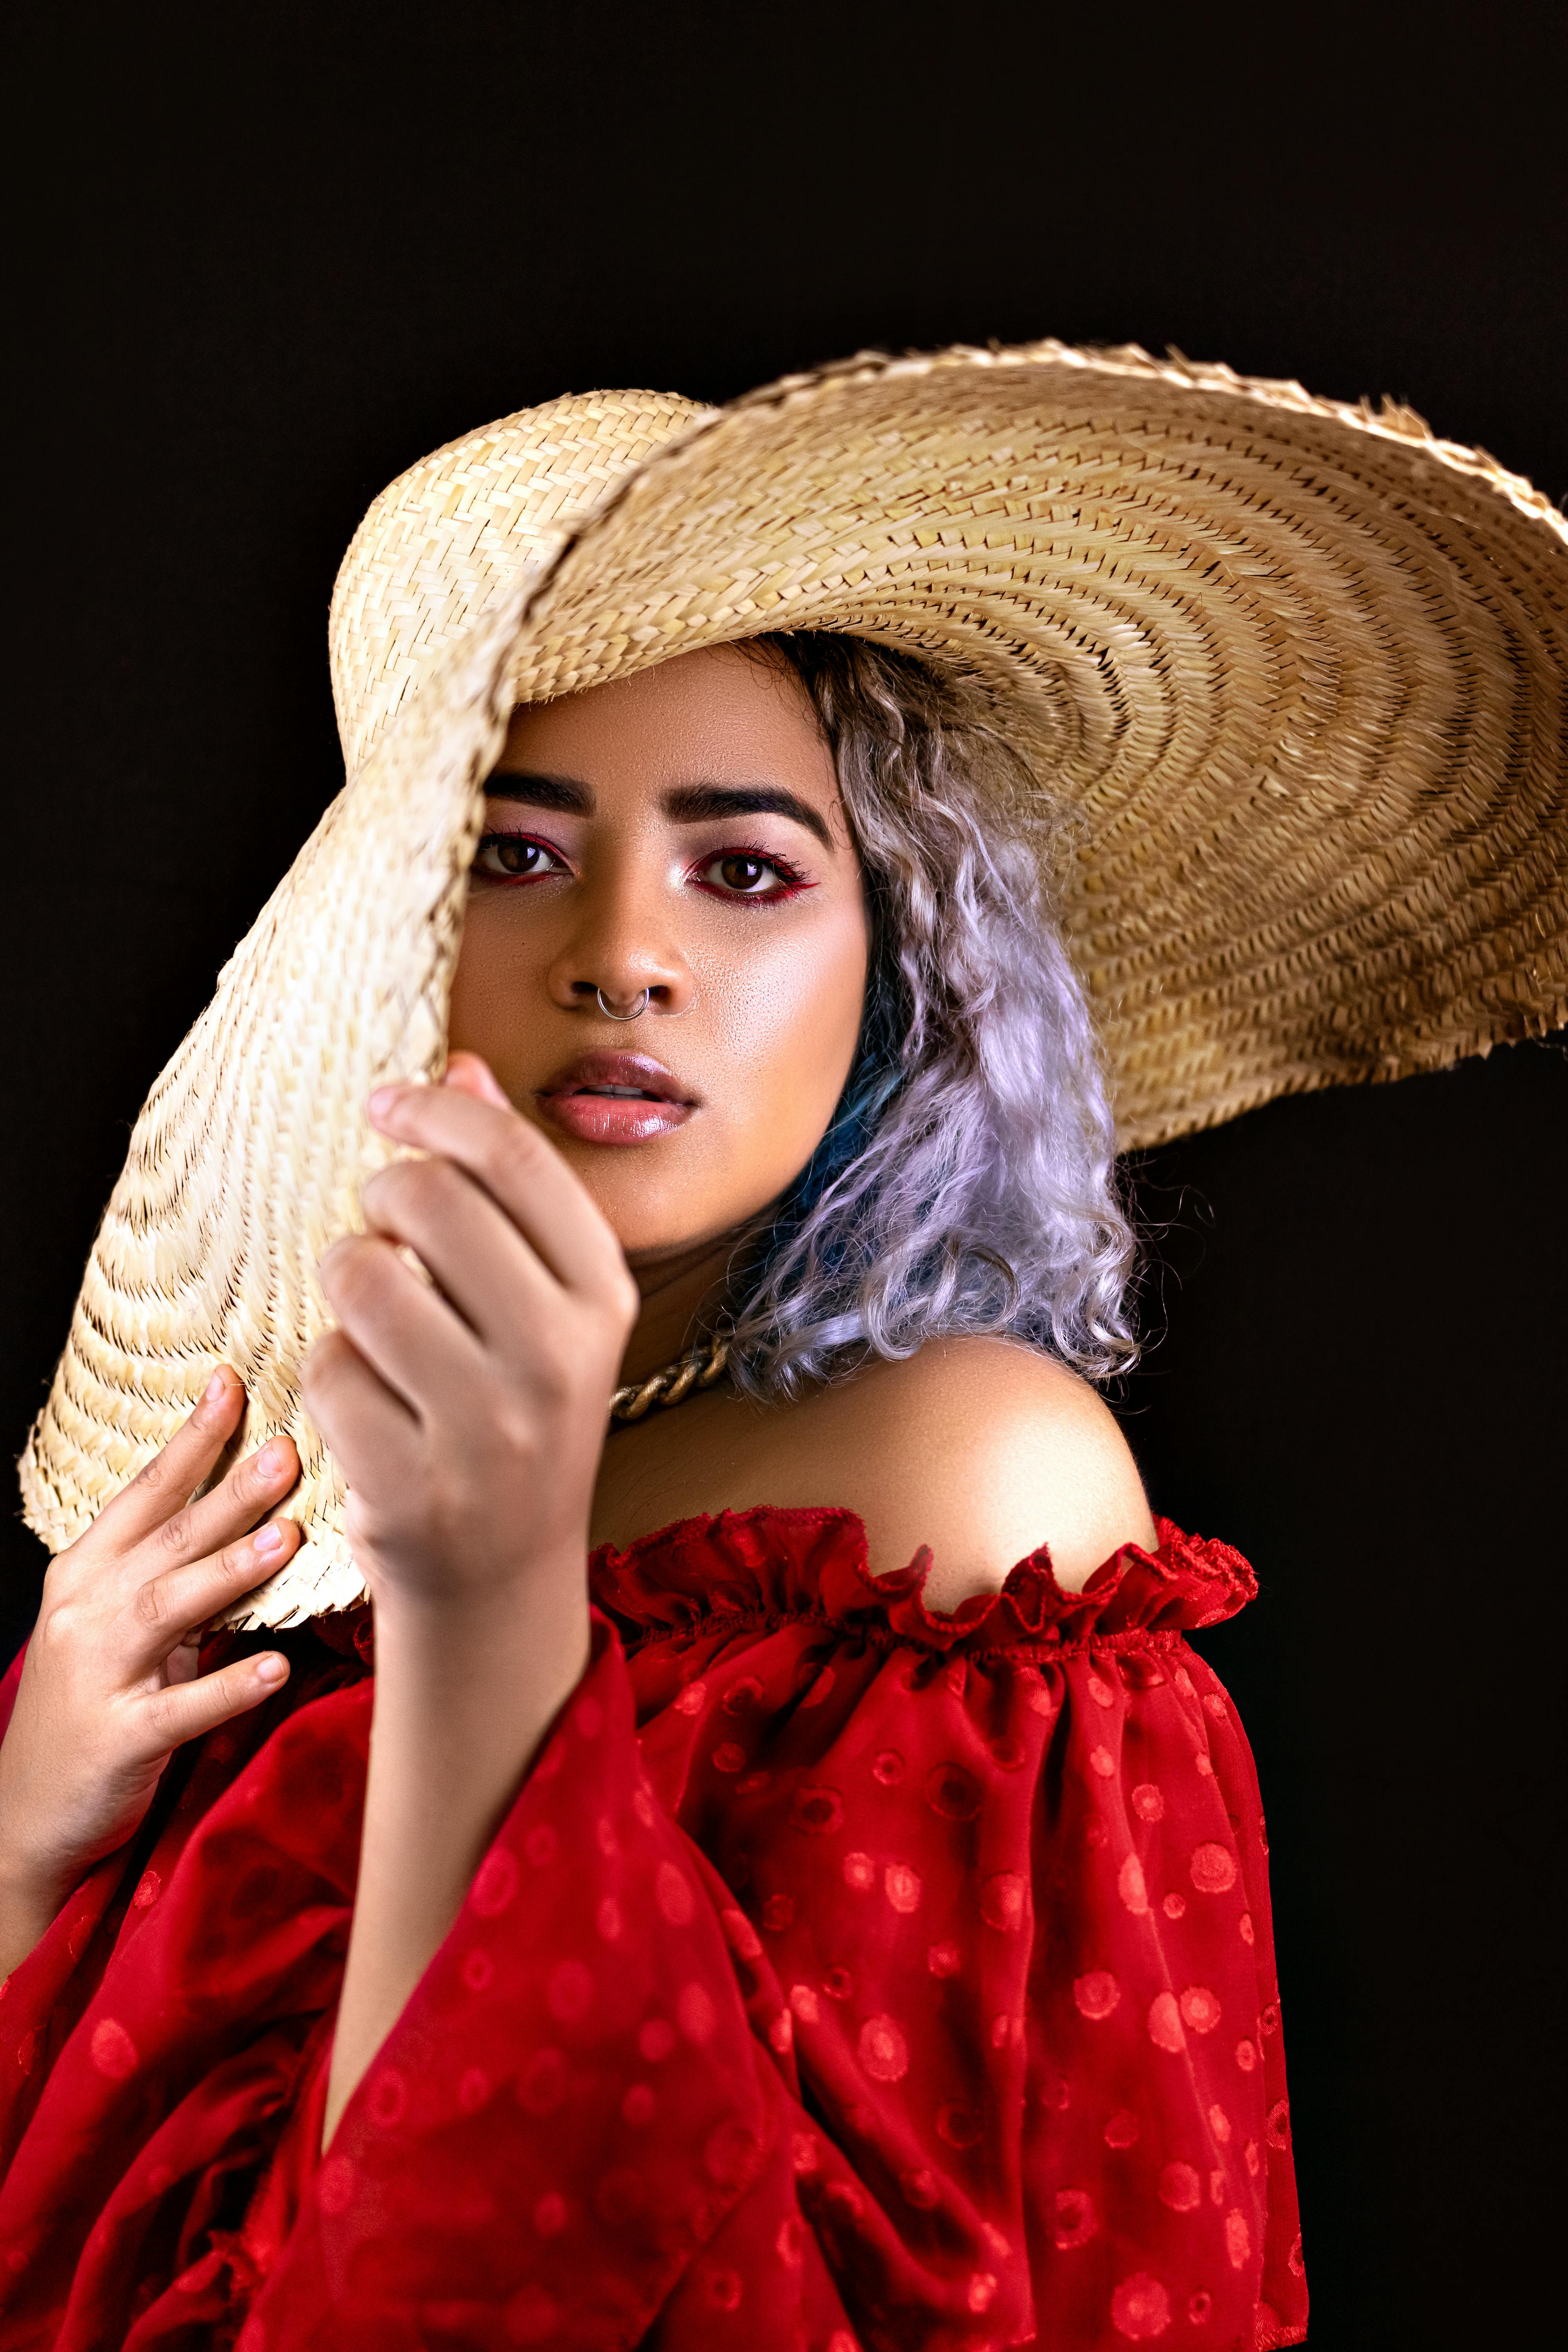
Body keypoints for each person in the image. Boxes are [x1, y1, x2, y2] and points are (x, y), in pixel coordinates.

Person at [1, 344, 1562, 2350]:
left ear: (899, 968)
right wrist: (30, 1854)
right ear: (391, 946)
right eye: (516, 850)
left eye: (745, 870)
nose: (625, 954)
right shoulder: (269, 1543)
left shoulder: (964, 1493)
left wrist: (491, 1620)